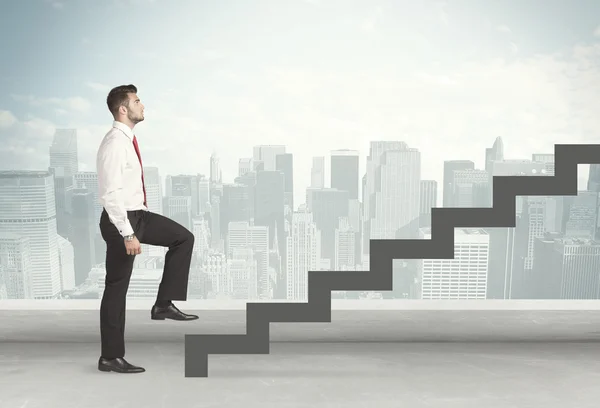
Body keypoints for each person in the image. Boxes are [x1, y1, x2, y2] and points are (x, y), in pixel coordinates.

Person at [96, 84, 198, 374]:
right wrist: (128, 233)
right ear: (123, 109)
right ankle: (110, 357)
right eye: (137, 101)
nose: (143, 105)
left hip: (139, 215)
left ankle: (163, 305)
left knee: (183, 238)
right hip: (121, 221)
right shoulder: (115, 143)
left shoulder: (128, 140)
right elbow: (110, 194)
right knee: (117, 288)